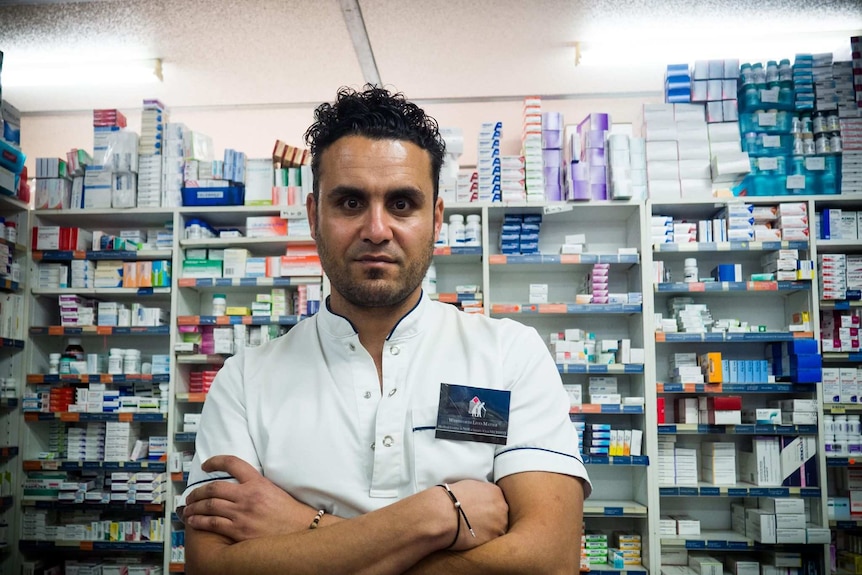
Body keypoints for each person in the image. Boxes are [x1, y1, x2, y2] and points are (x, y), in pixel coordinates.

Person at [179, 85, 591, 575]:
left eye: (401, 204)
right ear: (314, 216)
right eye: (351, 203)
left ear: (435, 218)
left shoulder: (509, 356)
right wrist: (437, 515)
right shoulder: (244, 382)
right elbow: (213, 568)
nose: (376, 229)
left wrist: (301, 526)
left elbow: (550, 560)